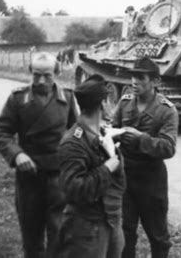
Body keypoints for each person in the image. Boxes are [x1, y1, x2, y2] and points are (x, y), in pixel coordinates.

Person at [0, 52, 79, 258]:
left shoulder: (67, 97)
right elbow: (0, 132)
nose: (41, 81)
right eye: (36, 75)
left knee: (59, 235)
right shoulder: (18, 99)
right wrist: (17, 155)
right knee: (31, 238)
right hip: (29, 179)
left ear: (56, 72)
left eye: (47, 75)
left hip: (59, 178)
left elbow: (76, 131)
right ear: (30, 72)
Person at [112, 57, 179, 258]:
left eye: (141, 77)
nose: (134, 82)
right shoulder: (124, 103)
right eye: (133, 76)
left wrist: (142, 139)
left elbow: (168, 147)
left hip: (152, 180)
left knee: (158, 237)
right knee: (126, 232)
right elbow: (112, 128)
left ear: (155, 82)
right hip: (125, 177)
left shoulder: (166, 110)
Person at [57, 75, 126, 258]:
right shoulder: (73, 142)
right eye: (109, 100)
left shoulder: (102, 134)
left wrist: (112, 152)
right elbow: (74, 189)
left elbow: (119, 183)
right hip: (87, 227)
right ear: (103, 104)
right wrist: (108, 167)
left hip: (110, 219)